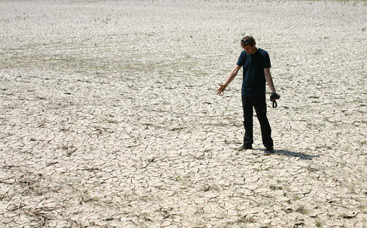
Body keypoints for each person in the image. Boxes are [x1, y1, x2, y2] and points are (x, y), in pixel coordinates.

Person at [216, 36, 280, 154]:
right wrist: (225, 84)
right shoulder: (244, 54)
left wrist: (273, 91)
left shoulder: (263, 54)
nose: (247, 50)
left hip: (258, 93)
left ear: (254, 44)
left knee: (262, 118)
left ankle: (268, 145)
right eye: (244, 48)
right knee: (247, 118)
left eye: (248, 48)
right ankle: (247, 142)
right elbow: (235, 70)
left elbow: (267, 74)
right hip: (246, 91)